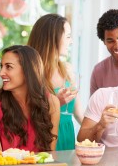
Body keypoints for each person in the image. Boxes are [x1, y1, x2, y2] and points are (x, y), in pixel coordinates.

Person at [0, 45, 60, 152]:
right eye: (2, 66)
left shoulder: (52, 102)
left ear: (27, 70)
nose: (1, 73)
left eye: (8, 67)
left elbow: (50, 154)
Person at [27, 13, 83, 150]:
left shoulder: (68, 70)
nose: (71, 42)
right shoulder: (29, 72)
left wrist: (101, 129)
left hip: (67, 139)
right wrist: (55, 103)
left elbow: (79, 114)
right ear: (53, 38)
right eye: (68, 36)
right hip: (41, 139)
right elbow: (24, 115)